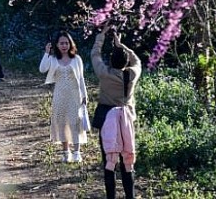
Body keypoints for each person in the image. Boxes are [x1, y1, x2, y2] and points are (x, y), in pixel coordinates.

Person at [91, 24, 142, 199]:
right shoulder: (132, 75)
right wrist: (121, 45)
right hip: (126, 120)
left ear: (111, 61)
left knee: (109, 162)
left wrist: (101, 37)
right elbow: (137, 61)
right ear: (126, 62)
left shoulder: (104, 74)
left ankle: (111, 196)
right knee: (127, 160)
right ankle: (130, 196)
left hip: (107, 120)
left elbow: (95, 55)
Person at [39, 31, 89, 163]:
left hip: (75, 95)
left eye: (67, 43)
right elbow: (42, 69)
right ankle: (66, 152)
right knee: (62, 123)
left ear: (70, 44)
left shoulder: (76, 59)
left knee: (75, 123)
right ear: (56, 44)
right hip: (60, 95)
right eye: (61, 43)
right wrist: (47, 53)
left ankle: (77, 152)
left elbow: (81, 78)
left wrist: (85, 95)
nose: (64, 45)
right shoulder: (53, 59)